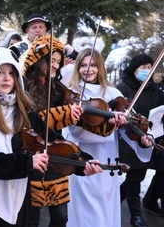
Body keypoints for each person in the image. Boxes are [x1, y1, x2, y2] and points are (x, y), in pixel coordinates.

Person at [0, 46, 101, 226]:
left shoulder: (23, 109)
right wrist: (27, 163)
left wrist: (83, 161)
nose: (6, 78)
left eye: (11, 73)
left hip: (19, 198)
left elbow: (50, 139)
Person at [61, 48, 151, 227]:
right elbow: (68, 130)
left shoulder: (112, 93)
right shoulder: (70, 94)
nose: (89, 70)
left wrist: (141, 138)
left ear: (100, 68)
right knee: (83, 213)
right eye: (84, 65)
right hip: (82, 162)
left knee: (103, 212)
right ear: (77, 67)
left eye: (93, 65)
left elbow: (128, 130)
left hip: (107, 163)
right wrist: (103, 123)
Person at [22, 35, 84, 227]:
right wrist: (63, 113)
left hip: (56, 153)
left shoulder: (57, 87)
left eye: (59, 61)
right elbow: (32, 119)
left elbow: (76, 118)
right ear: (39, 59)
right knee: (31, 218)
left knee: (60, 218)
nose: (56, 65)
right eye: (52, 60)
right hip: (32, 152)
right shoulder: (23, 85)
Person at [116, 54, 164, 226]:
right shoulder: (124, 87)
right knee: (135, 176)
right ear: (134, 69)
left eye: (149, 67)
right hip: (129, 138)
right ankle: (136, 217)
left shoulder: (154, 89)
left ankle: (114, 200)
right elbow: (120, 110)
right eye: (143, 67)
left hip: (147, 137)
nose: (147, 70)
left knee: (138, 176)